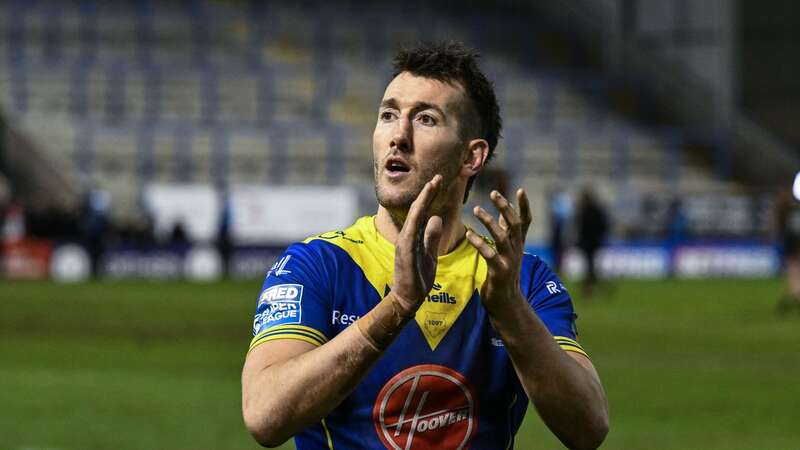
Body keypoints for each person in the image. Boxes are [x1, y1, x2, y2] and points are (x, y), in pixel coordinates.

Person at [241, 41, 609, 449]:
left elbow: (589, 427)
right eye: (388, 115)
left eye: (426, 119)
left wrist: (511, 313)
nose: (398, 135)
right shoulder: (319, 264)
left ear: (472, 157)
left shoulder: (519, 278)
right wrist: (394, 309)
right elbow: (264, 415)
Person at [576, 187, 609, 298]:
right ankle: (596, 287)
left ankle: (590, 288)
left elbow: (580, 228)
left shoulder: (583, 211)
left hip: (588, 243)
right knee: (591, 266)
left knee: (589, 266)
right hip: (593, 243)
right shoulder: (596, 210)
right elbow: (604, 226)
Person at [775, 188, 800, 314]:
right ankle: (793, 294)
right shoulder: (792, 210)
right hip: (793, 242)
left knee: (792, 269)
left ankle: (793, 294)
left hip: (792, 241)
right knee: (793, 270)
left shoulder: (788, 209)